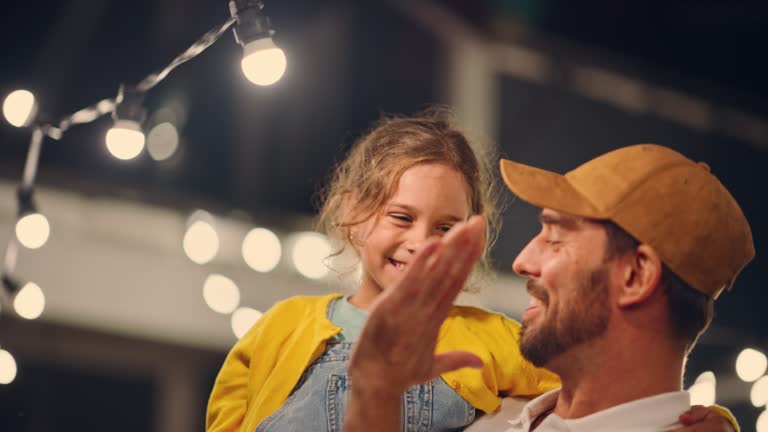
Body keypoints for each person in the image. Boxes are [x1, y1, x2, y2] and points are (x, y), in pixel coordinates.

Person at [345, 143, 751, 432]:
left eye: (555, 239)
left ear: (636, 275)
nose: (522, 262)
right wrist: (375, 394)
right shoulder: (493, 414)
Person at [206, 111, 561, 432]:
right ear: (353, 213)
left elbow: (590, 381)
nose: (421, 242)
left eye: (445, 228)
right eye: (402, 217)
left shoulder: (490, 336)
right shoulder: (281, 325)